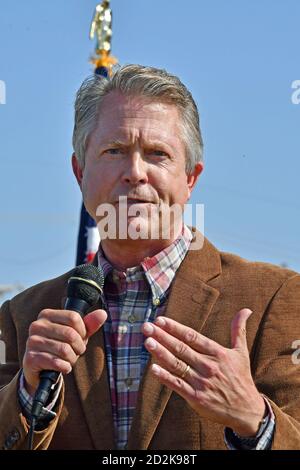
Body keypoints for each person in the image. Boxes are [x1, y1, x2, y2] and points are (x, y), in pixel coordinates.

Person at [0, 64, 300, 450]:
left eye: (157, 153)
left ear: (190, 177)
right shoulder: (23, 318)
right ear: (79, 172)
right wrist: (26, 393)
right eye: (115, 151)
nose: (135, 172)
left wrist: (254, 418)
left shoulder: (276, 298)